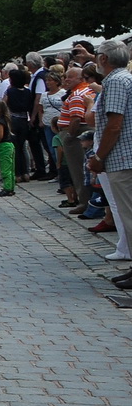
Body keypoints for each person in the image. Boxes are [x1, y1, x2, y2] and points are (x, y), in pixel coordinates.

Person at [86, 41, 132, 270]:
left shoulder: (114, 81)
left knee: (128, 215)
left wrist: (99, 157)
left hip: (122, 158)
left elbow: (114, 124)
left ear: (103, 58)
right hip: (125, 156)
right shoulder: (126, 78)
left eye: (97, 57)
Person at [56, 66, 93, 209]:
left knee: (78, 170)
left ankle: (84, 202)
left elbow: (76, 118)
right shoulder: (88, 90)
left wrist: (70, 136)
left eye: (69, 77)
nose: (66, 80)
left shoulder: (77, 94)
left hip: (76, 133)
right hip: (81, 132)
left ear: (80, 78)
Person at [0, 99, 16, 197]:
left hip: (3, 146)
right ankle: (11, 187)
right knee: (11, 168)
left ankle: (7, 188)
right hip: (9, 145)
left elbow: (0, 135)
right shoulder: (4, 119)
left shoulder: (0, 121)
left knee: (5, 168)